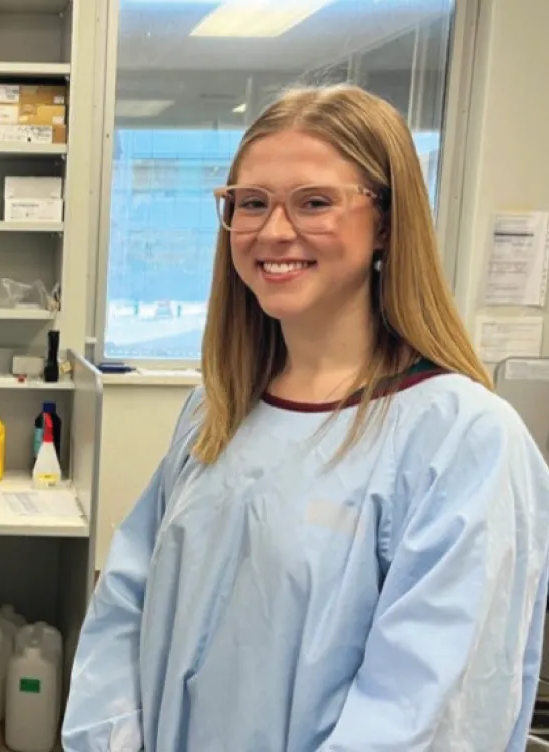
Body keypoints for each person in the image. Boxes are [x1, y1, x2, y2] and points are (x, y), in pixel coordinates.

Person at [62, 84, 549, 751]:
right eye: (251, 204)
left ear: (385, 220)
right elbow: (125, 608)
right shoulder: (216, 411)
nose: (273, 231)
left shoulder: (464, 441)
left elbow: (428, 713)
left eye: (314, 202)